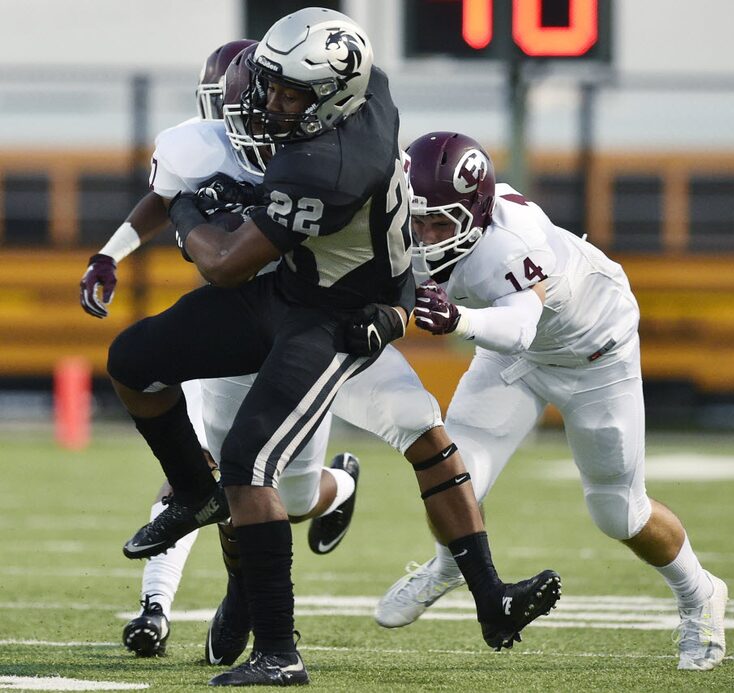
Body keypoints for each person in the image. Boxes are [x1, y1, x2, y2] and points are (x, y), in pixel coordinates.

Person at [106, 9, 559, 687]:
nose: (272, 103)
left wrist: (189, 210)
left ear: (331, 101)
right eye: (272, 85)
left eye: (292, 94)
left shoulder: (327, 168)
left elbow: (225, 264)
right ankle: (196, 494)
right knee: (132, 360)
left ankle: (279, 650)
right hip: (293, 287)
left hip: (332, 314)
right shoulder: (364, 89)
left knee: (251, 462)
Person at [374, 131, 729, 673]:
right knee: (453, 478)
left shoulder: (514, 241)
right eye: (416, 220)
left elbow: (518, 325)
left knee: (618, 511)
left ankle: (700, 593)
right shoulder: (409, 216)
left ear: (477, 211)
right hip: (515, 359)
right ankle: (451, 565)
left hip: (593, 358)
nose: (422, 236)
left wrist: (460, 320)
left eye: (439, 223)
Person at [79, 39, 358, 660]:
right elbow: (166, 194)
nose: (258, 124)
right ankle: (182, 605)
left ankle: (340, 489)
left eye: (276, 105)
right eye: (246, 111)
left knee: (292, 495)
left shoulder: (330, 151)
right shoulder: (199, 145)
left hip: (315, 321)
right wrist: (111, 251)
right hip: (238, 317)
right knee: (217, 466)